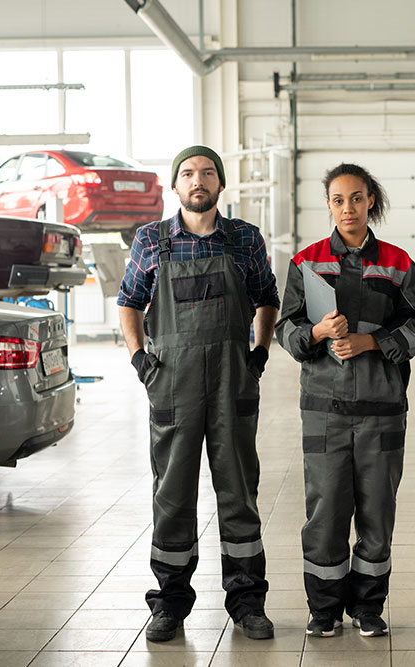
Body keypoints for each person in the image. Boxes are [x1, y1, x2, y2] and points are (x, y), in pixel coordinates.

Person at [117, 145, 279, 643]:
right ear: (176, 184)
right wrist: (140, 358)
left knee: (238, 492)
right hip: (173, 383)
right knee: (172, 495)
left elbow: (267, 297)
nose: (198, 180)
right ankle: (169, 604)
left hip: (232, 380)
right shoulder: (151, 240)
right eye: (188, 173)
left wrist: (260, 352)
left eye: (208, 172)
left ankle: (248, 602)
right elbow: (129, 301)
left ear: (220, 184)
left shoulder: (244, 239)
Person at [276, 163, 415, 638]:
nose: (348, 208)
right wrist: (317, 332)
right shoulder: (306, 262)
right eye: (339, 199)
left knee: (376, 511)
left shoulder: (397, 262)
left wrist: (373, 343)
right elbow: (286, 327)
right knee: (324, 512)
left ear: (371, 202)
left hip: (382, 409)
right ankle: (323, 608)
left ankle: (368, 606)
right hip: (324, 411)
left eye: (358, 198)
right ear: (328, 205)